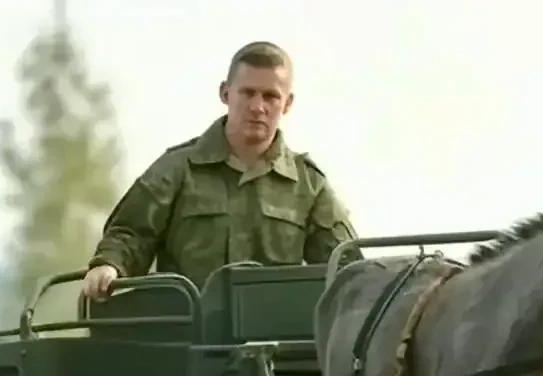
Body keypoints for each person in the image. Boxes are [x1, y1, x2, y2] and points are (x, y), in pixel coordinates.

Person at [82, 41, 358, 299]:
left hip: (273, 340)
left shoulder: (308, 185)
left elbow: (346, 267)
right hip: (186, 337)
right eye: (248, 93)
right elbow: (131, 233)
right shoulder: (178, 169)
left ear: (287, 103)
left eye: (271, 96)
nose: (258, 107)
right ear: (225, 93)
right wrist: (109, 265)